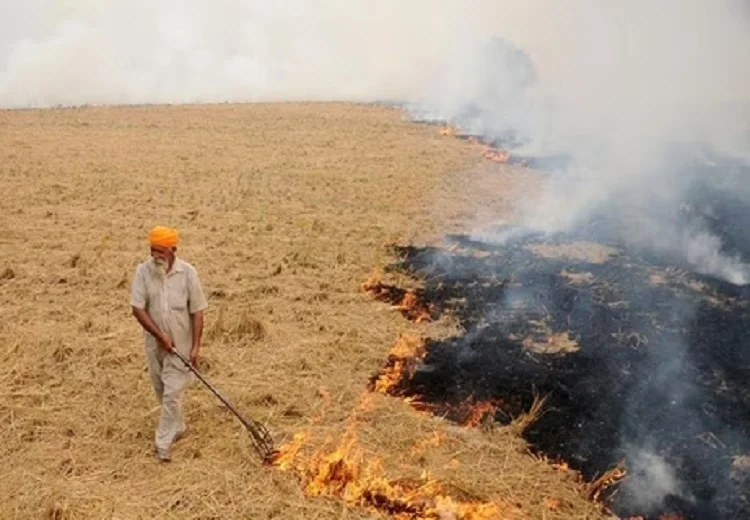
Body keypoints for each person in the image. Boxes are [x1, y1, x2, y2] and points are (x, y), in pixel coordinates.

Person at [130, 225, 208, 462]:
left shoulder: (188, 274)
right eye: (153, 250)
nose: (156, 256)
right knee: (161, 390)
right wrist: (159, 336)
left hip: (180, 348)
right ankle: (179, 427)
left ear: (173, 249)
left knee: (172, 394)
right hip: (155, 346)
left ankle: (162, 445)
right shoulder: (143, 271)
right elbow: (137, 308)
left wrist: (195, 347)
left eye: (161, 251)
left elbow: (197, 312)